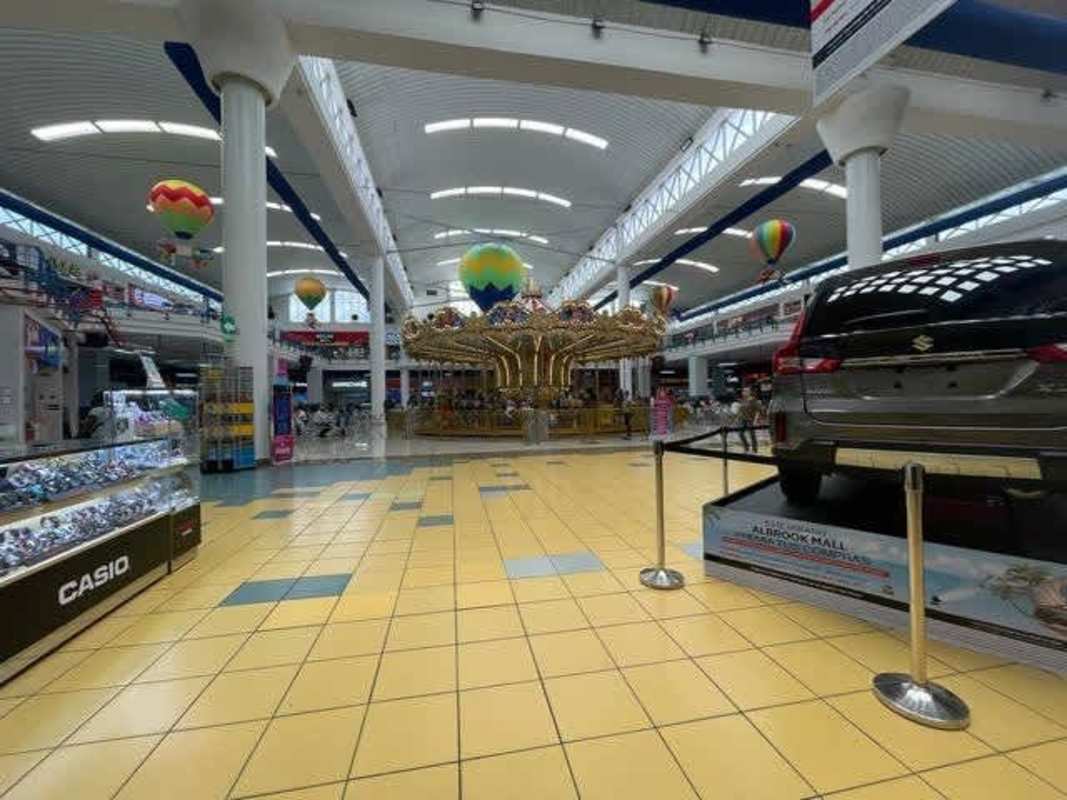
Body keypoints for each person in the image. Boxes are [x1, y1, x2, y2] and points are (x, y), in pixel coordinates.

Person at [734, 386, 762, 452]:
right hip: (742, 419)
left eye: (746, 391)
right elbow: (741, 411)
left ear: (750, 392)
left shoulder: (753, 400)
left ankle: (754, 449)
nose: (744, 392)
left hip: (750, 419)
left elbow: (758, 410)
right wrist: (737, 418)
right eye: (743, 391)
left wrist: (756, 419)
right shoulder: (742, 400)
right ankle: (746, 447)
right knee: (740, 433)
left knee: (752, 435)